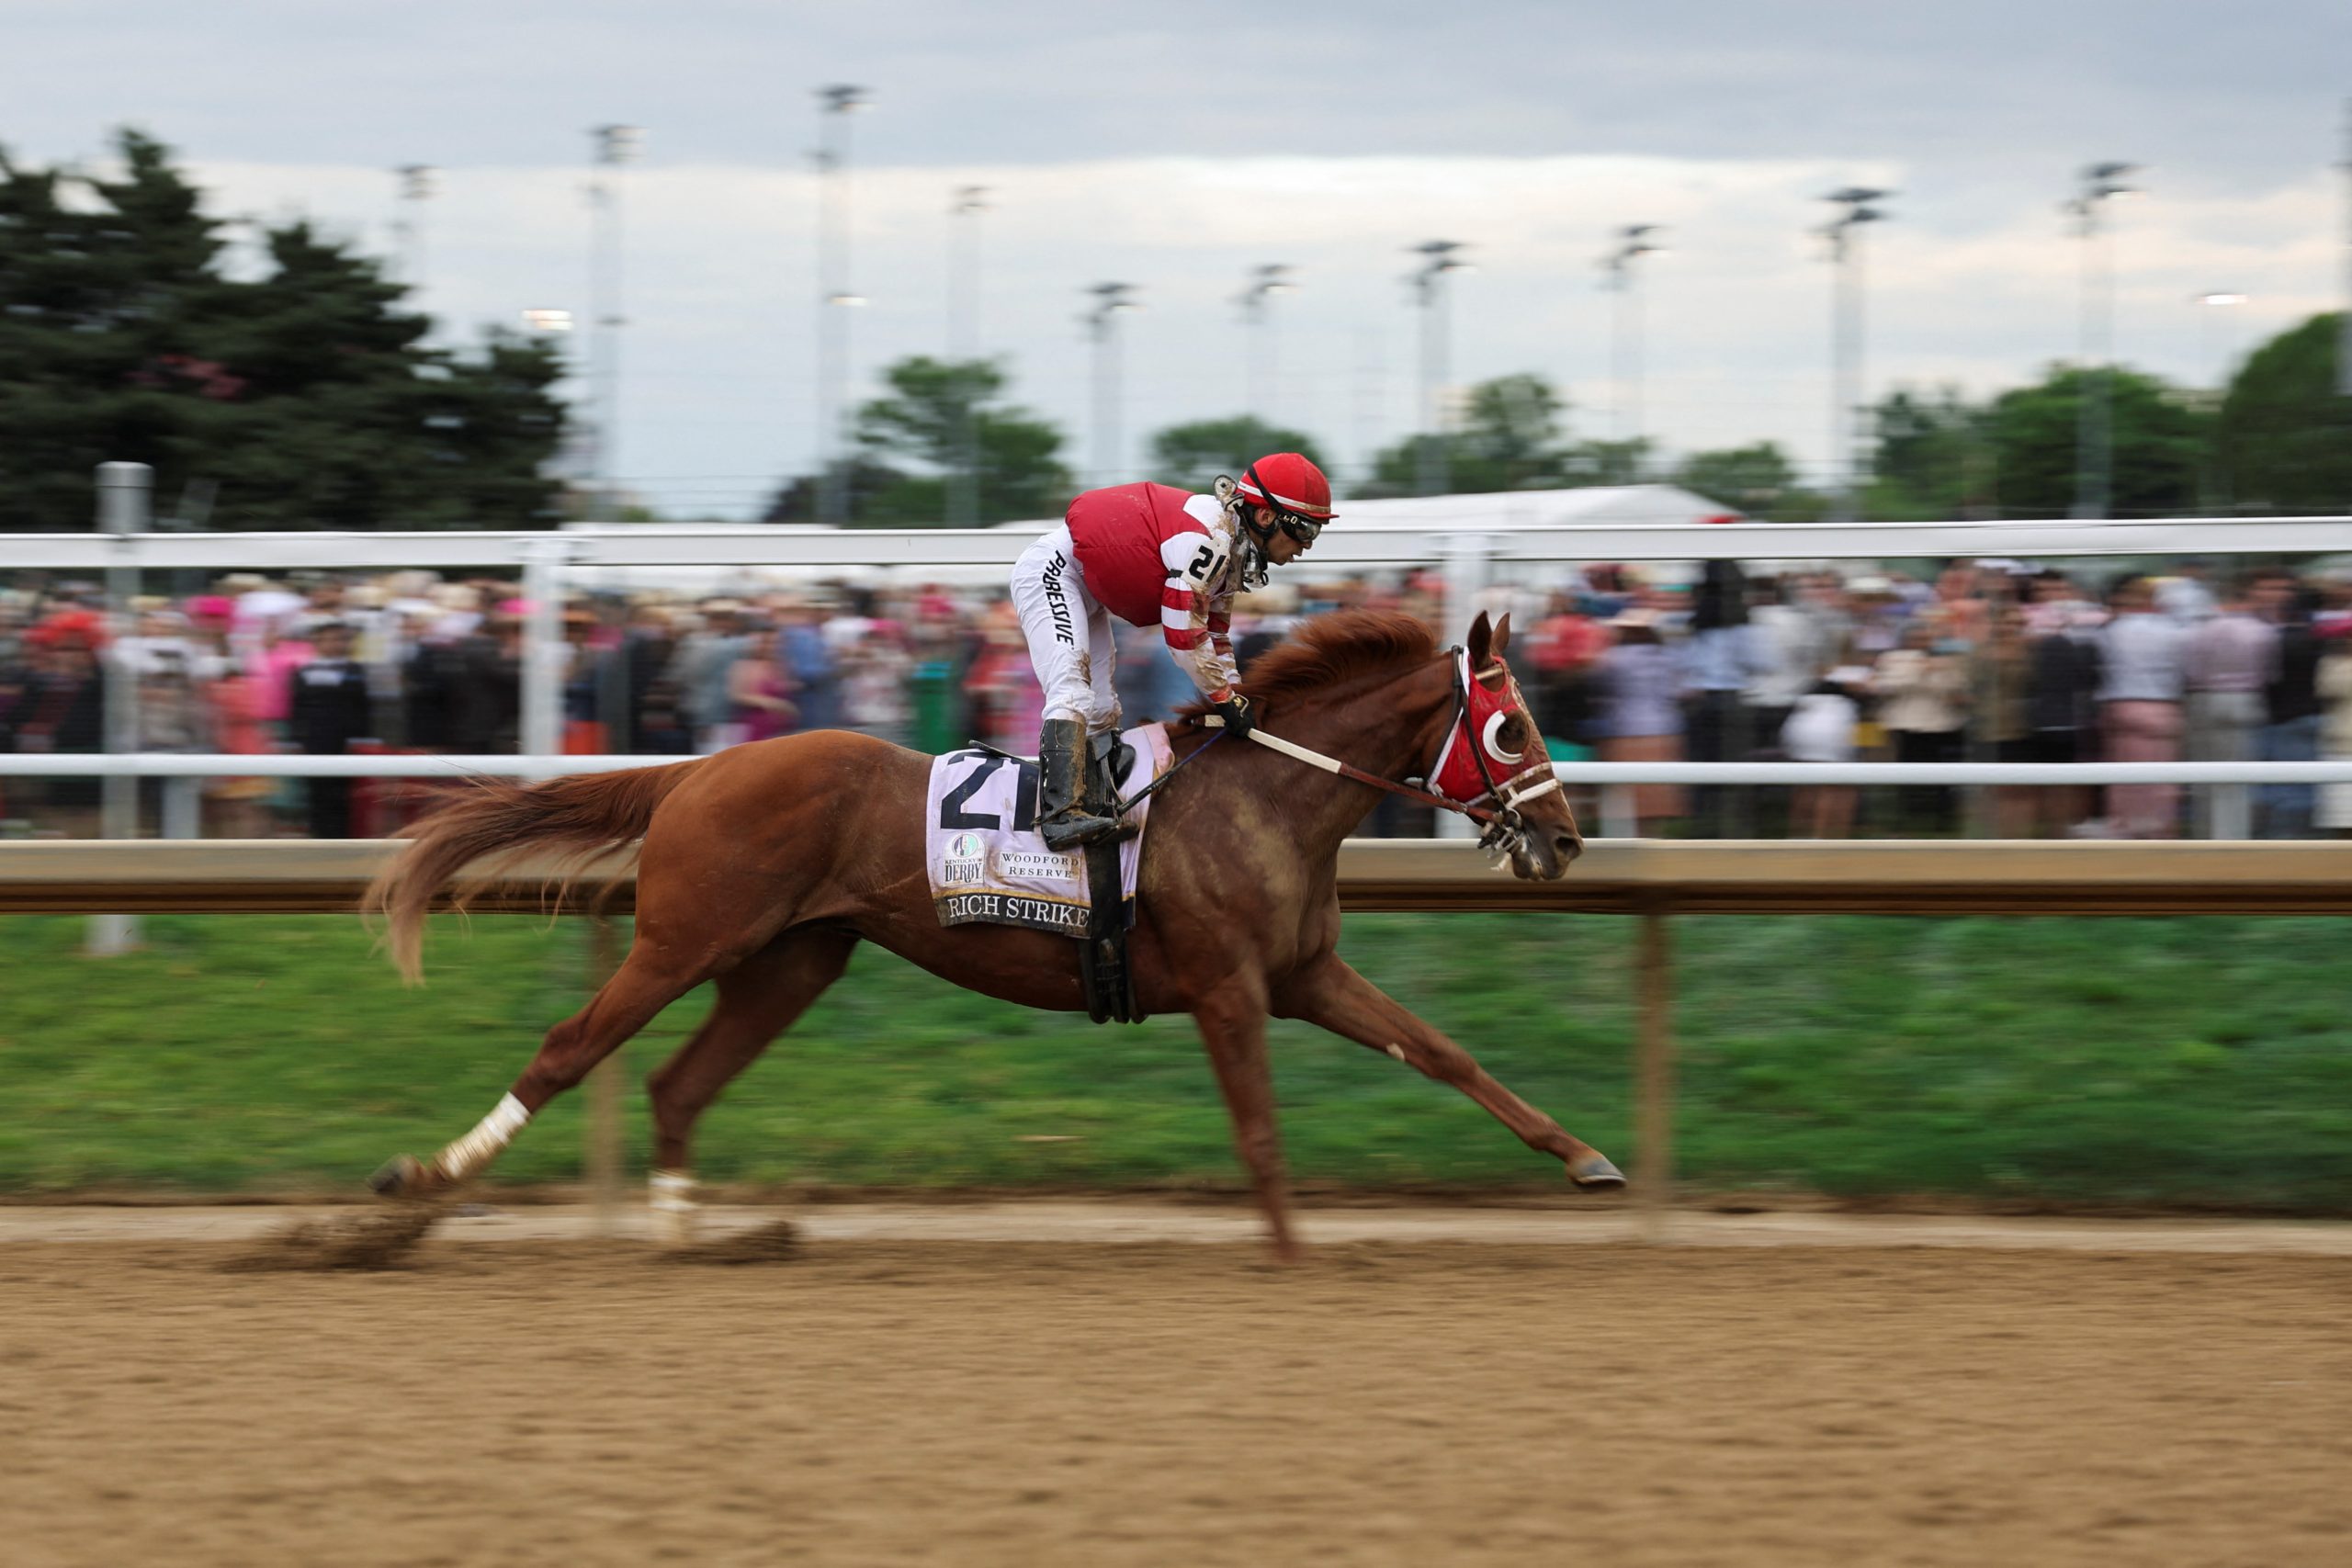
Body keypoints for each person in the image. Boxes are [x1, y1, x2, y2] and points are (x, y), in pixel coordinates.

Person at [1006, 453, 1333, 849]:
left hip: (1083, 587)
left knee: (1104, 706)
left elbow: (1216, 635)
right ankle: (1059, 816)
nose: (1305, 547)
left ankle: (1096, 803)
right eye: (1305, 532)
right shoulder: (1212, 540)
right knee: (1072, 690)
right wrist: (1224, 700)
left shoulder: (1231, 545)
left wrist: (1237, 695)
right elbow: (1182, 635)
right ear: (1266, 517)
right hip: (1053, 573)